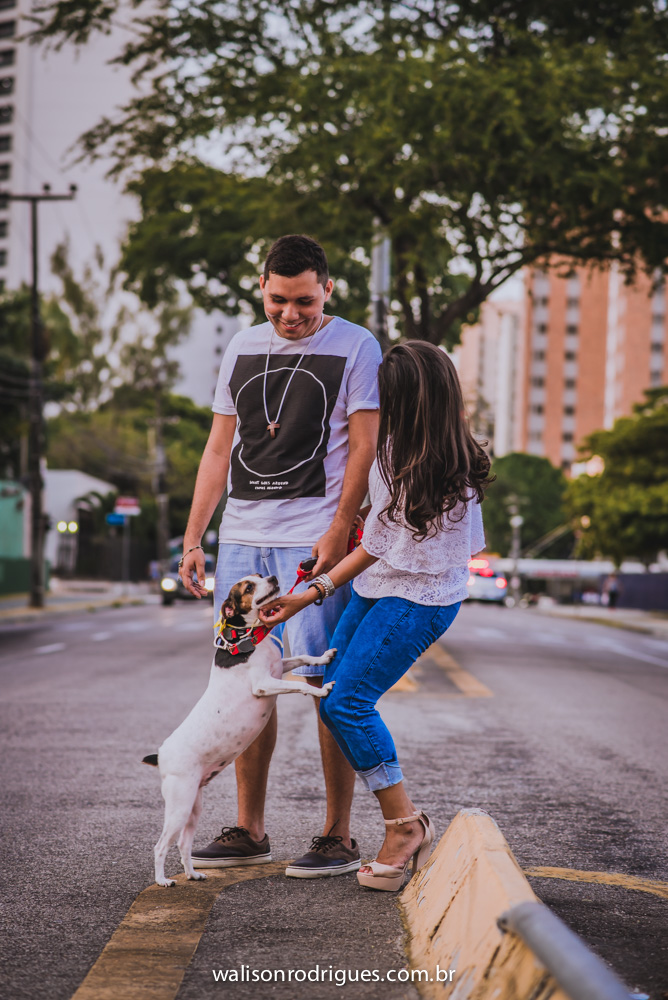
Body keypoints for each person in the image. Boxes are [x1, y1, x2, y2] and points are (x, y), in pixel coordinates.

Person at [178, 234, 382, 877]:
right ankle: (249, 828)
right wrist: (194, 537)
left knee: (325, 682)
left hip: (312, 535)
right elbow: (218, 449)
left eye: (303, 302)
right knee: (243, 679)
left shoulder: (356, 345)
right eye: (276, 301)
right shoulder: (241, 346)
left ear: (327, 288)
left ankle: (337, 835)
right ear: (261, 287)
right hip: (241, 536)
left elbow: (364, 448)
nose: (290, 315)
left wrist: (341, 529)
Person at [260, 341, 492, 891]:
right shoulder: (406, 446)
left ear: (411, 400)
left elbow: (380, 546)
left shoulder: (431, 463)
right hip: (376, 587)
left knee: (347, 701)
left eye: (386, 394)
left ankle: (404, 825)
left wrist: (309, 592)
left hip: (418, 598)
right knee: (330, 693)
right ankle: (393, 823)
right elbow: (385, 535)